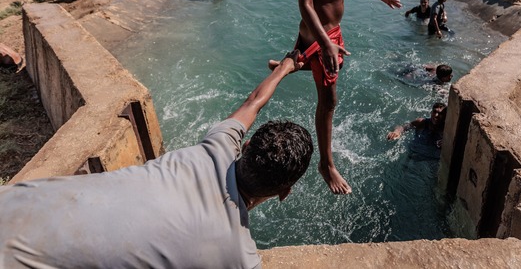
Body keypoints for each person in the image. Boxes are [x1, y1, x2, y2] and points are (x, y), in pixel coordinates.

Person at [0, 51, 313, 268]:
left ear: (243, 146)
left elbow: (253, 102)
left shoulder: (216, 148)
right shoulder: (238, 256)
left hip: (15, 201)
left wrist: (285, 66)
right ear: (285, 193)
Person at [268, 0, 402, 194]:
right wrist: (325, 43)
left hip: (330, 34)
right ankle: (326, 165)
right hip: (319, 34)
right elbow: (306, 6)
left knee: (326, 62)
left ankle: (288, 64)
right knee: (329, 101)